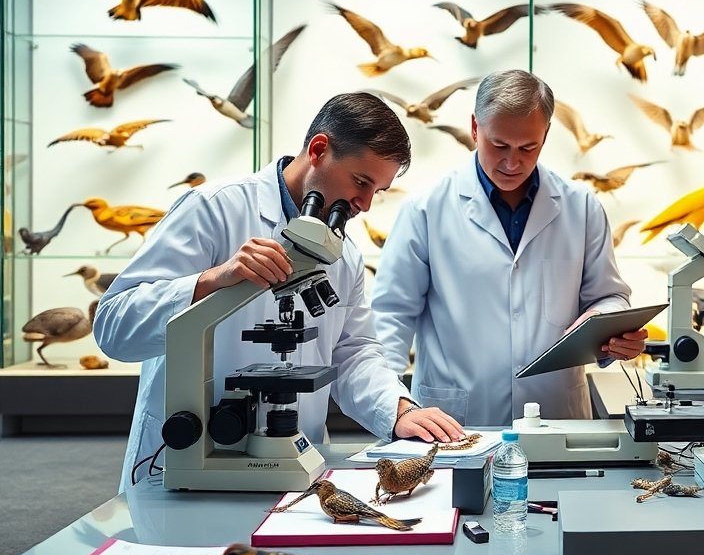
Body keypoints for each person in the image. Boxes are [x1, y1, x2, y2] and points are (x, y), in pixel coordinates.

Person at [96, 93, 464, 492]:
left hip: (296, 468)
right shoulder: (215, 208)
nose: (364, 205)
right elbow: (115, 325)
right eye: (361, 182)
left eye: (378, 191)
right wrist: (214, 280)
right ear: (319, 150)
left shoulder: (344, 254)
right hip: (188, 462)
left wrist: (397, 409)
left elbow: (354, 351)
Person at [372, 69, 642, 425]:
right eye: (499, 145)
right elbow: (391, 316)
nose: (512, 162)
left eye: (527, 148)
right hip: (454, 421)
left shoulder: (582, 207)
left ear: (545, 136)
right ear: (474, 129)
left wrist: (607, 325)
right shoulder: (426, 209)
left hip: (555, 416)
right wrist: (390, 406)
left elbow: (608, 296)